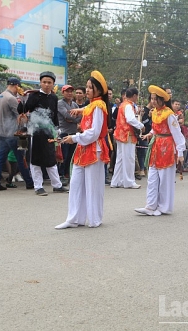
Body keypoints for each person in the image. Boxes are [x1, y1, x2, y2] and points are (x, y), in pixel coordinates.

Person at [55, 71, 111, 229]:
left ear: (99, 91)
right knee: (76, 184)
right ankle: (74, 219)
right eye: (86, 87)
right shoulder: (92, 105)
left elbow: (94, 132)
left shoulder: (99, 106)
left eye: (90, 88)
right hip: (83, 148)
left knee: (93, 186)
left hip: (94, 148)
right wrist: (80, 111)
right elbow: (87, 109)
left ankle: (94, 219)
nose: (87, 90)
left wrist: (74, 137)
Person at [135, 85, 185, 216]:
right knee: (152, 178)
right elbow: (155, 128)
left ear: (163, 100)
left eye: (156, 99)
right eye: (152, 99)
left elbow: (177, 134)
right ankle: (150, 205)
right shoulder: (155, 112)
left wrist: (180, 152)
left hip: (167, 148)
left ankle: (164, 207)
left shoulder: (169, 115)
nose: (153, 101)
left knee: (165, 180)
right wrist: (150, 134)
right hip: (156, 147)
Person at [0, 78, 34, 191]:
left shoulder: (0, 96)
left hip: (2, 132)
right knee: (22, 157)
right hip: (14, 133)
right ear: (16, 86)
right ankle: (29, 182)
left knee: (0, 158)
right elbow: (21, 117)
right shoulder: (11, 98)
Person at [111, 88, 144, 189]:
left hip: (120, 134)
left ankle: (116, 181)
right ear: (134, 96)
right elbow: (130, 119)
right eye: (137, 96)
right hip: (127, 134)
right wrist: (140, 125)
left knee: (120, 159)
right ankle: (129, 182)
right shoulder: (129, 106)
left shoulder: (123, 104)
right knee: (129, 158)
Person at [57, 85, 82, 181]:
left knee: (71, 156)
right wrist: (73, 118)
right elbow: (67, 115)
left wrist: (72, 119)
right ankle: (61, 175)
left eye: (71, 91)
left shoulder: (74, 105)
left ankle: (67, 174)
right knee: (63, 155)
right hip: (63, 133)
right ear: (63, 93)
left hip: (73, 133)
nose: (69, 93)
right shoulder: (60, 103)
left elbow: (80, 117)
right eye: (67, 91)